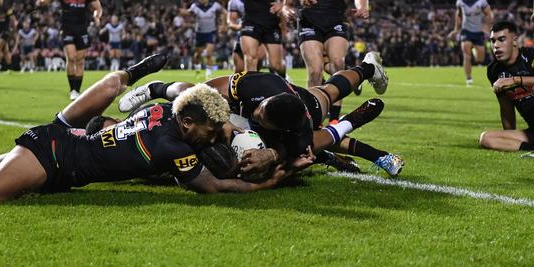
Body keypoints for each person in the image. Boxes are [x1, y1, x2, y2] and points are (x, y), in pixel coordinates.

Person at [0, 54, 288, 202]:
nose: (213, 134)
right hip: (54, 154)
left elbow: (192, 96)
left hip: (60, 150)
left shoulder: (170, 111)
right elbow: (215, 186)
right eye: (210, 129)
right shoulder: (174, 146)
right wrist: (261, 184)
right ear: (189, 123)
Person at [118, 52, 403, 176]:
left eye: (261, 116)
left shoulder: (301, 130)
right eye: (260, 109)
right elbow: (205, 90)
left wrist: (274, 155)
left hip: (308, 107)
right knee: (202, 97)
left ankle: (367, 72)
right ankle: (155, 87)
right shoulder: (259, 84)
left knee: (327, 95)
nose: (256, 113)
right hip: (278, 94)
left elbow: (325, 136)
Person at [479, 21, 534, 158]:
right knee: (486, 138)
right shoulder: (494, 70)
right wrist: (508, 134)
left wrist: (516, 80)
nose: (496, 45)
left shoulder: (533, 56)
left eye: (501, 39)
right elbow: (506, 106)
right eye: (493, 41)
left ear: (515, 41)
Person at [35, 0, 103, 100]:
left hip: (82, 28)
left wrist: (97, 16)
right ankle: (72, 90)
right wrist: (41, 2)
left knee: (80, 60)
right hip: (67, 28)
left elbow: (98, 8)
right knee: (71, 58)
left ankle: (77, 91)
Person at [448, 0, 493, 86]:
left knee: (480, 59)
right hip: (466, 31)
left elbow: (488, 14)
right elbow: (458, 15)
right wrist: (455, 29)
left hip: (478, 32)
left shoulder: (481, 1)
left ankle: (474, 50)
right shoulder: (460, 2)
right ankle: (468, 78)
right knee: (466, 56)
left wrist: (486, 27)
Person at [179, 0, 225, 78]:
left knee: (208, 53)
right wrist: (182, 11)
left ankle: (209, 74)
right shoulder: (195, 6)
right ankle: (198, 69)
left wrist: (223, 25)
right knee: (197, 56)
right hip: (199, 34)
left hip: (211, 33)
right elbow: (188, 12)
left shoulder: (214, 5)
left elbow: (224, 12)